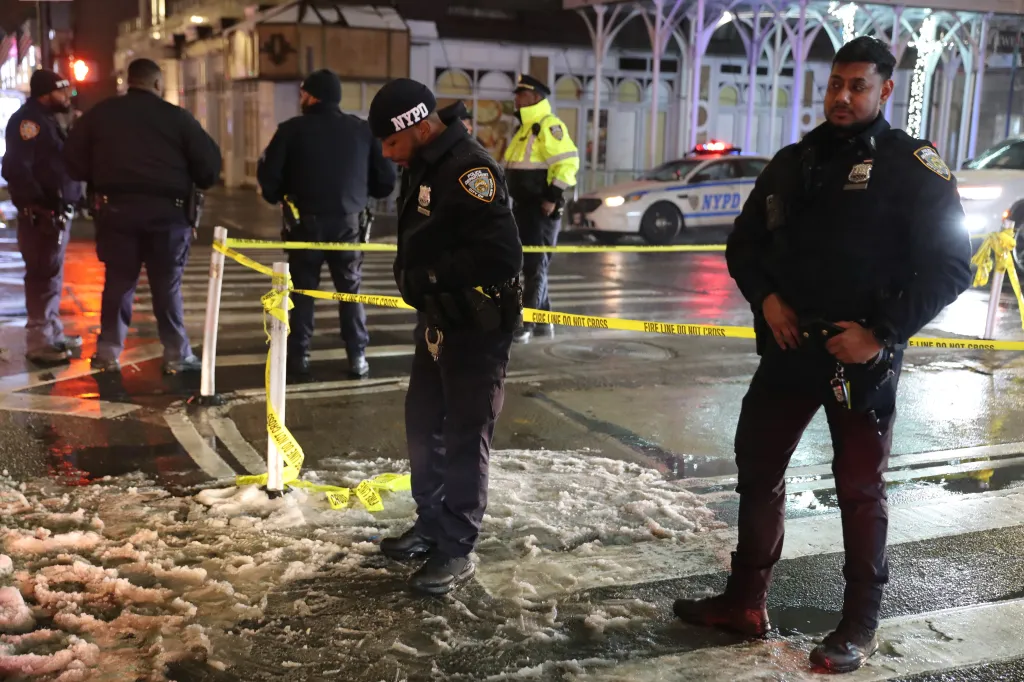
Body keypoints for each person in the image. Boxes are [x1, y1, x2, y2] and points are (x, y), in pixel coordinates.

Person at [672, 37, 973, 673]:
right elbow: (743, 246)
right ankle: (744, 601)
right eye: (835, 83)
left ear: (885, 90)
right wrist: (768, 299)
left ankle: (859, 623)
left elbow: (951, 267)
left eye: (857, 85)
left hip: (860, 362)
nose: (842, 95)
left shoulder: (912, 166)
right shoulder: (794, 160)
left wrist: (880, 332)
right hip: (786, 351)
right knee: (757, 472)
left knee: (859, 492)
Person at [367, 78, 523, 595]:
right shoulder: (426, 163)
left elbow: (504, 256)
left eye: (390, 142)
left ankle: (456, 545)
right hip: (439, 322)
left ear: (415, 126)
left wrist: (430, 278)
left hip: (475, 327)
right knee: (423, 423)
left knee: (463, 433)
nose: (387, 155)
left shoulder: (469, 168)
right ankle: (431, 522)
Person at [64, 58, 222, 374]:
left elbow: (73, 162)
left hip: (116, 211)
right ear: (157, 84)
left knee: (119, 282)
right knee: (166, 285)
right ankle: (176, 354)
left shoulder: (100, 115)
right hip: (168, 214)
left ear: (128, 81)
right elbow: (209, 169)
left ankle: (108, 353)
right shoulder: (177, 118)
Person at [257, 69, 396, 380]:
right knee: (350, 291)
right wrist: (359, 191)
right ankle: (357, 356)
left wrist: (284, 192)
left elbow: (268, 182)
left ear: (313, 96)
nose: (300, 99)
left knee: (303, 292)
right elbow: (386, 181)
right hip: (349, 224)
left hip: (304, 225)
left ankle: (298, 358)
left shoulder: (291, 130)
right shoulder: (362, 131)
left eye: (303, 93)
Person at [2, 70, 84, 366]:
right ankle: (40, 342)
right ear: (45, 93)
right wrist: (39, 203)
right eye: (62, 91)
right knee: (41, 276)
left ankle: (51, 332)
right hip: (42, 214)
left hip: (53, 211)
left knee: (50, 274)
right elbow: (16, 167)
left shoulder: (47, 120)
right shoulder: (29, 122)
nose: (67, 96)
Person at [502, 75, 579, 344]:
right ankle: (545, 321)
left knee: (535, 266)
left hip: (540, 209)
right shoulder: (524, 128)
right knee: (534, 265)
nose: (516, 99)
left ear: (535, 97)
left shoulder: (548, 126)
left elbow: (569, 164)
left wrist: (552, 197)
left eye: (520, 95)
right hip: (524, 207)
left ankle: (528, 322)